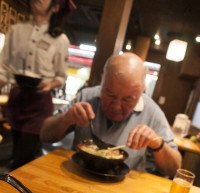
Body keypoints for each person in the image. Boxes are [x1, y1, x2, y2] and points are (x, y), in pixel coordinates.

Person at [40, 52, 182, 177]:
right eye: (109, 94)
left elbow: (174, 169)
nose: (116, 106)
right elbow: (45, 135)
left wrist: (157, 143)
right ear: (102, 81)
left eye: (127, 99)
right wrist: (66, 118)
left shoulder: (152, 112)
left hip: (124, 190)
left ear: (142, 91)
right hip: (76, 176)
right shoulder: (87, 96)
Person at [0, 0, 75, 170]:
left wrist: (49, 85)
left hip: (39, 104)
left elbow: (61, 76)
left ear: (55, 6)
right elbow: (3, 69)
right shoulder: (16, 31)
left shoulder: (60, 40)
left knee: (22, 158)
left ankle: (14, 188)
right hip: (16, 98)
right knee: (11, 151)